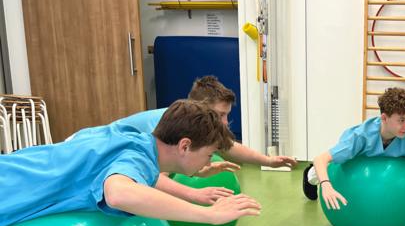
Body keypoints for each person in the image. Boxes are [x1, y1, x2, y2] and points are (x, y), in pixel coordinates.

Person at [0, 100, 261, 226]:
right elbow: (119, 193)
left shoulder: (133, 140)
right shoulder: (139, 156)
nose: (210, 160)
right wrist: (208, 215)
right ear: (184, 146)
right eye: (210, 153)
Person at [72, 76, 297, 206]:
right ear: (202, 107)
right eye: (220, 115)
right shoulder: (172, 130)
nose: (226, 122)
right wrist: (195, 194)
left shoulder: (192, 125)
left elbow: (227, 146)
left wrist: (268, 161)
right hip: (82, 149)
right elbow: (153, 179)